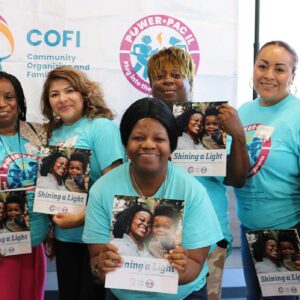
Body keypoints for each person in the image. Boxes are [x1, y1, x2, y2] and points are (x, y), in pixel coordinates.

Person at [83, 97, 223, 300]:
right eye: (138, 138)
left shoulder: (192, 191)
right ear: (125, 143)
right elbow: (96, 258)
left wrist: (182, 268)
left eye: (159, 139)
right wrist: (101, 267)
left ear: (172, 146)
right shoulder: (102, 189)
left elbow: (195, 262)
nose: (148, 145)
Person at [148, 46, 249, 299]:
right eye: (160, 76)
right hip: (157, 235)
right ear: (150, 83)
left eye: (176, 74)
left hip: (207, 237)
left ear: (190, 80)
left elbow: (236, 179)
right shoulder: (143, 125)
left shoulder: (211, 124)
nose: (168, 80)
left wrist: (237, 135)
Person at [41, 66, 125, 300]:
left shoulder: (101, 127)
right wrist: (51, 228)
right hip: (64, 238)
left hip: (97, 239)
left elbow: (117, 187)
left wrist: (79, 218)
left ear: (84, 93)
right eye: (54, 94)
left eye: (69, 91)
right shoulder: (52, 133)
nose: (62, 99)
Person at [235, 40, 300, 300]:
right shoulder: (242, 112)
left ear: (292, 75)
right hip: (248, 228)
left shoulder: (297, 114)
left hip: (287, 231)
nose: (269, 75)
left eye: (280, 69)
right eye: (262, 66)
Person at [0, 71, 49, 300]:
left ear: (19, 99)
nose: (2, 104)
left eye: (9, 97)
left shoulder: (38, 133)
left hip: (35, 241)